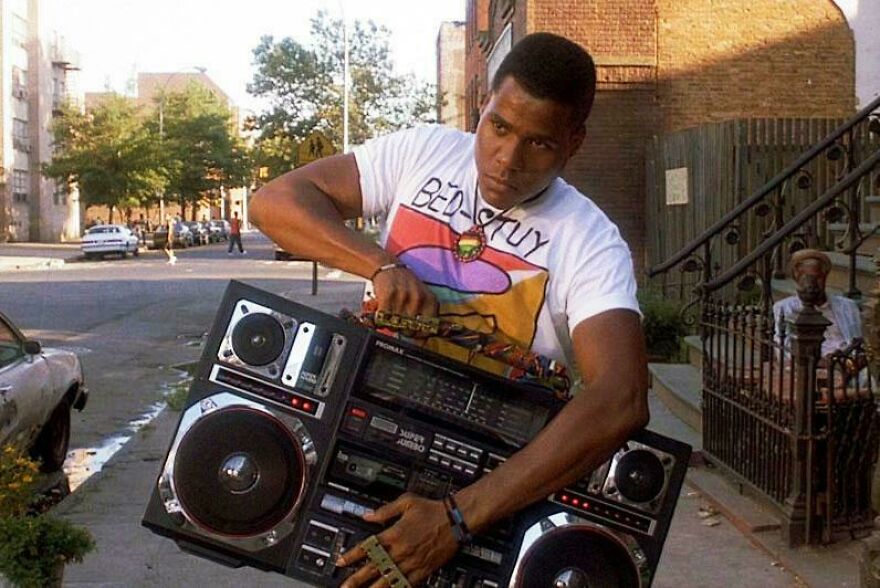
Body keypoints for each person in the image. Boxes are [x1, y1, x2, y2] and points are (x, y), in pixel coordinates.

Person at [250, 32, 648, 587]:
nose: (506, 160)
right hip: (362, 446)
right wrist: (380, 265)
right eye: (499, 127)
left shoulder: (588, 239)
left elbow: (621, 397)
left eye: (539, 144)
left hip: (483, 491)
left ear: (574, 142)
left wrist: (458, 518)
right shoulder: (425, 152)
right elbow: (274, 202)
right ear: (483, 102)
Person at [773, 249, 862, 358]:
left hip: (848, 363)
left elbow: (859, 341)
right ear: (797, 280)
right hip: (813, 368)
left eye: (818, 277)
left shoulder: (848, 306)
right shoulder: (784, 308)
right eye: (807, 278)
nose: (813, 284)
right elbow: (784, 351)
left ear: (825, 277)